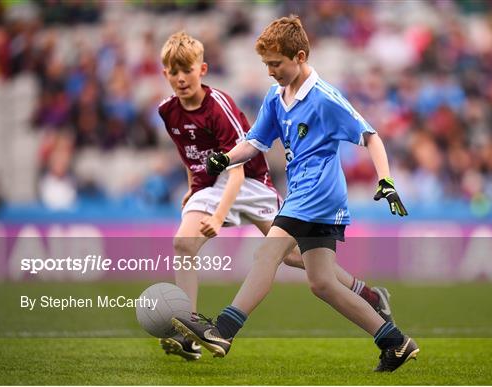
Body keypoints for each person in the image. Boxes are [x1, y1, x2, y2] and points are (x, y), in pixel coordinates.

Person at [171, 17, 419, 372]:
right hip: (302, 195)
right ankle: (395, 343)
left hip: (317, 194)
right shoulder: (276, 96)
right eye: (266, 64)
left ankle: (223, 329)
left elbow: (370, 136)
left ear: (299, 56)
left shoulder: (324, 98)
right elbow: (255, 142)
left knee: (266, 255)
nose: (270, 71)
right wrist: (225, 158)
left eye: (276, 64)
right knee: (322, 283)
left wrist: (387, 181)